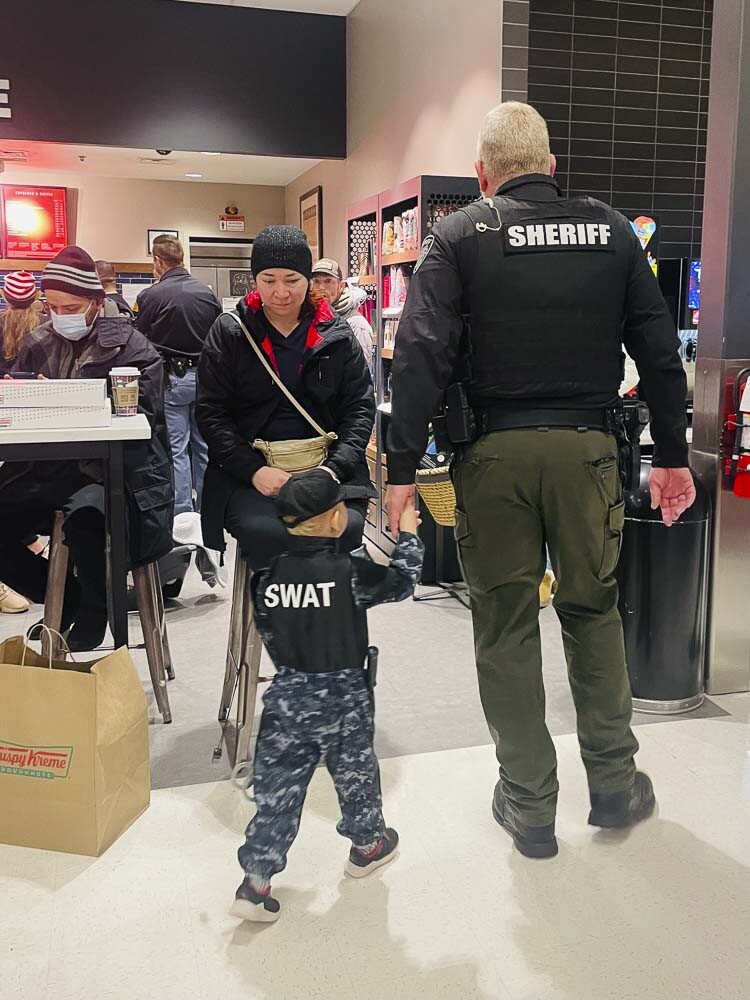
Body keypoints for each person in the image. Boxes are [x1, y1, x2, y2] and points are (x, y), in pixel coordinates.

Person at [386, 102, 695, 859]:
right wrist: (675, 456)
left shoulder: (458, 236)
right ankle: (615, 786)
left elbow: (420, 354)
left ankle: (528, 805)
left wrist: (398, 471)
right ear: (553, 167)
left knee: (506, 623)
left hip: (490, 458)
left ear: (484, 174)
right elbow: (658, 352)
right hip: (588, 450)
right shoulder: (614, 232)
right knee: (593, 613)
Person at [230, 468, 424, 922]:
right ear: (336, 519)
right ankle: (368, 845)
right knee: (356, 776)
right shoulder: (349, 572)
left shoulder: (267, 578)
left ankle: (255, 882)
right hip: (343, 698)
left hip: (288, 694)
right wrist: (409, 536)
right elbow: (403, 580)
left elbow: (272, 633)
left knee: (277, 792)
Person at [0, 246, 174, 651]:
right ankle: (66, 596)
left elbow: (143, 417)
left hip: (118, 473)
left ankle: (95, 611)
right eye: (54, 305)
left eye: (72, 306)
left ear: (97, 302)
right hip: (47, 468)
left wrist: (68, 400)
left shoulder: (132, 348)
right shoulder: (37, 343)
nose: (62, 315)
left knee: (88, 517)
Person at [197, 226, 375, 570]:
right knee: (267, 533)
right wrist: (253, 471)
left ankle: (329, 622)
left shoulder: (337, 333)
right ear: (255, 280)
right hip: (250, 475)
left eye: (292, 279)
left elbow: (359, 408)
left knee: (341, 530)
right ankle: (272, 622)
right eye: (268, 280)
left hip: (328, 470)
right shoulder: (230, 331)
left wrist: (332, 469)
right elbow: (211, 413)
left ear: (308, 279)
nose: (280, 292)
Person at [136, 235, 221, 515]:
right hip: (206, 378)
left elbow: (140, 341)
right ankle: (210, 508)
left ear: (158, 260)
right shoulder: (207, 293)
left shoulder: (150, 296)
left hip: (171, 379)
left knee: (176, 449)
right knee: (203, 446)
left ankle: (184, 513)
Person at [311, 258, 375, 363]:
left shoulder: (356, 324)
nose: (321, 287)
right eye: (316, 281)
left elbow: (362, 372)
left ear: (341, 286)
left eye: (328, 281)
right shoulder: (311, 318)